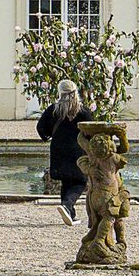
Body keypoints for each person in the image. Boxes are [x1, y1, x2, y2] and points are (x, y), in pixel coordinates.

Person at [36, 79, 89, 226]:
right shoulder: (83, 111)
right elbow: (91, 132)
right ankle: (67, 205)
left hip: (58, 148)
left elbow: (41, 128)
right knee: (81, 181)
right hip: (77, 149)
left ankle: (70, 215)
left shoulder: (53, 109)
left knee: (67, 179)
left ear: (60, 93)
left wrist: (48, 136)